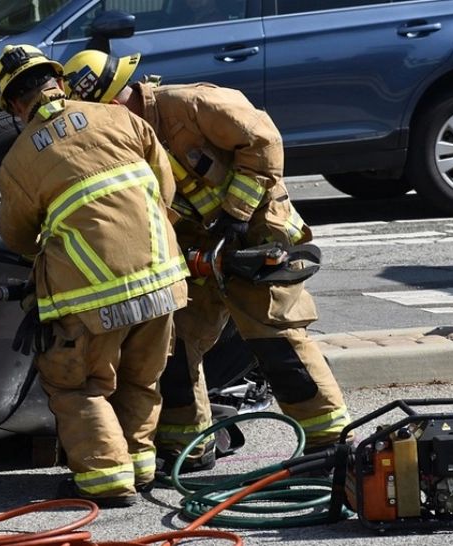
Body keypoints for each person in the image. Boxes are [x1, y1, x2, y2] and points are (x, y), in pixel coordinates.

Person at [61, 49, 353, 470]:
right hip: (202, 252)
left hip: (255, 234)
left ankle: (329, 444)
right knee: (174, 344)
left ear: (121, 96)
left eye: (107, 109)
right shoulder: (123, 140)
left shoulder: (191, 104)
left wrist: (236, 214)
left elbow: (264, 141)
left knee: (275, 338)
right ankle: (189, 448)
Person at [0, 44, 190, 507]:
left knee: (78, 385)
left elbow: (18, 237)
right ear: (59, 82)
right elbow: (166, 188)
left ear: (15, 105)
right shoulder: (119, 118)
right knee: (142, 379)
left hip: (91, 298)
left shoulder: (18, 161)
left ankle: (107, 481)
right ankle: (141, 468)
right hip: (163, 280)